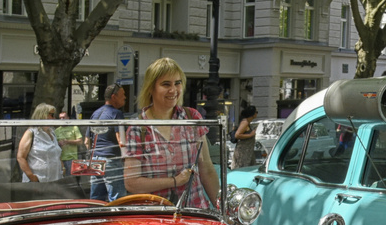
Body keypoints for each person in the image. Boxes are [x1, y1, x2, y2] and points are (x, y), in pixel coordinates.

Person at [121, 58, 219, 209]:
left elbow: (206, 169)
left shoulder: (191, 117)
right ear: (150, 88)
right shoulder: (138, 128)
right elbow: (132, 183)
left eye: (177, 83)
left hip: (194, 213)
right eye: (166, 84)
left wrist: (221, 210)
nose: (173, 90)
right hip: (158, 219)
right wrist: (174, 181)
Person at [87, 83, 129, 200]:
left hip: (95, 160)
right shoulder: (117, 114)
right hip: (111, 160)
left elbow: (87, 141)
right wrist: (127, 159)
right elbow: (121, 141)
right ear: (114, 96)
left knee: (96, 198)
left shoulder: (95, 114)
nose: (125, 97)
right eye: (123, 94)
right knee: (117, 199)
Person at [17, 103, 64, 182]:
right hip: (38, 181)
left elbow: (57, 154)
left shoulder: (52, 132)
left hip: (55, 180)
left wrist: (63, 168)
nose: (54, 118)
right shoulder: (31, 133)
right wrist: (32, 177)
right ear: (42, 115)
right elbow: (21, 157)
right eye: (51, 115)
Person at [231, 103, 259, 168]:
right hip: (243, 151)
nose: (257, 114)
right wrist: (250, 135)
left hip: (248, 150)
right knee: (242, 167)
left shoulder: (247, 122)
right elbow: (237, 135)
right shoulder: (245, 122)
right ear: (252, 114)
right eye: (256, 112)